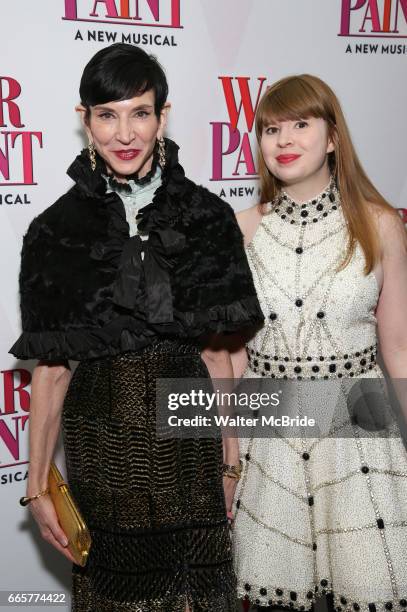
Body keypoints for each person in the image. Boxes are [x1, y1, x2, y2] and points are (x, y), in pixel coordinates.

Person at [10, 43, 264, 612]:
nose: (125, 133)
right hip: (100, 442)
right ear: (86, 120)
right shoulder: (53, 232)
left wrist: (229, 459)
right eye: (108, 114)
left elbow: (219, 360)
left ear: (162, 116)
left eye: (140, 113)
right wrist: (36, 484)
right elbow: (50, 373)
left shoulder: (206, 218)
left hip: (190, 438)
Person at [231, 75, 407, 611]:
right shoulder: (240, 229)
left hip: (361, 422)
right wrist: (231, 455)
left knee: (371, 588)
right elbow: (233, 356)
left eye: (301, 125)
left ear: (332, 137)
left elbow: (397, 345)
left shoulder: (379, 225)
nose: (283, 140)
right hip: (271, 429)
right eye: (271, 129)